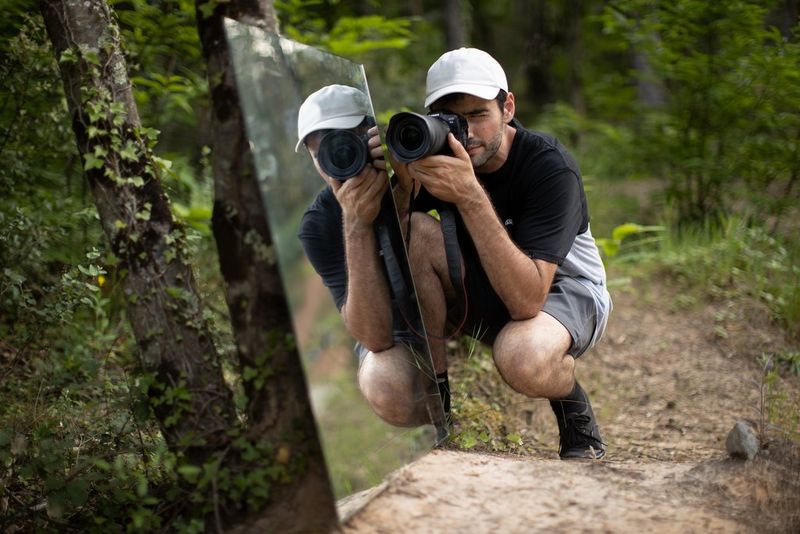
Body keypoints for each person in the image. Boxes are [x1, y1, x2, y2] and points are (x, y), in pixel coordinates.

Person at [389, 48, 612, 459]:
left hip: (566, 291)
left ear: (507, 107)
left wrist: (470, 195)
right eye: (450, 121)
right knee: (416, 232)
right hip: (487, 284)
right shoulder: (437, 160)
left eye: (478, 114)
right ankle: (440, 419)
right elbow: (397, 258)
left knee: (522, 356)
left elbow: (528, 300)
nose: (466, 133)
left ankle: (571, 404)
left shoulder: (548, 166)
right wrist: (402, 188)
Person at [295, 84, 442, 427]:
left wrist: (406, 189)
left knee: (420, 228)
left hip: (459, 312)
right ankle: (445, 419)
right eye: (323, 155)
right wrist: (355, 224)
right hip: (400, 334)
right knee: (383, 381)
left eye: (346, 143)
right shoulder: (319, 224)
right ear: (311, 159)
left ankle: (467, 384)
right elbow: (374, 337)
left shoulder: (416, 162)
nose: (338, 161)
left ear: (371, 133)